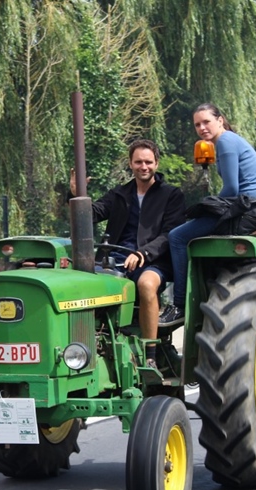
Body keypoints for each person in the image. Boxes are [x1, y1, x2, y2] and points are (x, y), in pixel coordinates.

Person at [71, 139, 185, 368]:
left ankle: (150, 355)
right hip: (117, 258)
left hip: (154, 260)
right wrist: (74, 195)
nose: (144, 167)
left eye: (148, 162)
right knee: (81, 284)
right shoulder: (119, 194)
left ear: (157, 163)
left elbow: (170, 234)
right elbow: (92, 214)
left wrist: (143, 253)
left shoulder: (171, 195)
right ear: (131, 164)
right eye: (138, 162)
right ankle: (86, 349)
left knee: (146, 284)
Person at [160, 103, 256, 326]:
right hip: (250, 205)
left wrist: (209, 206)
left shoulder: (226, 141)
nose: (202, 128)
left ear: (220, 120)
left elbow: (231, 189)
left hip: (248, 209)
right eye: (197, 125)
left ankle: (179, 305)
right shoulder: (225, 142)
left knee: (177, 237)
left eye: (206, 122)